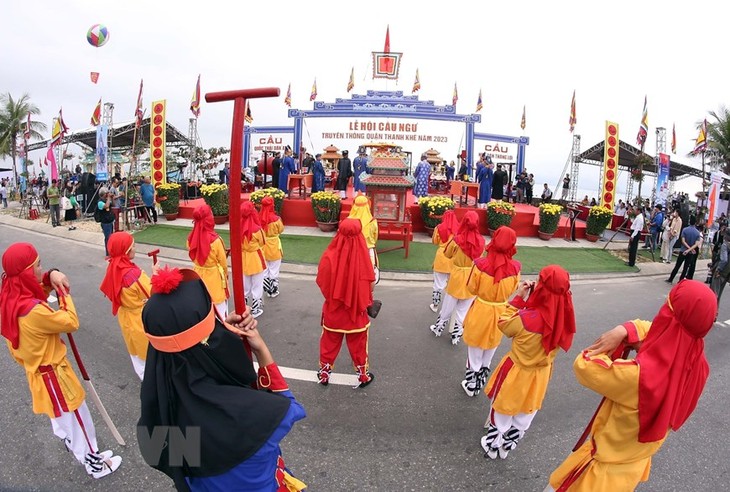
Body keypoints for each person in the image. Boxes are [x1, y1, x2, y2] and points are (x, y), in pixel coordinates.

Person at [137, 267, 306, 492]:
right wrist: (261, 351)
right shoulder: (254, 414)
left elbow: (177, 457)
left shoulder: (159, 417)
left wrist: (214, 340)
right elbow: (290, 407)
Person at [547, 280, 716, 491]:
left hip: (597, 476)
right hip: (631, 469)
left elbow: (584, 366)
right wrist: (625, 330)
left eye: (667, 306)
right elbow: (656, 330)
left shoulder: (638, 377)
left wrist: (617, 336)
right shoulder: (699, 366)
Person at [1, 243, 122, 479]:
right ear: (26, 272)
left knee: (68, 420)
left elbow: (36, 289)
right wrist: (64, 295)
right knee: (79, 420)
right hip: (53, 376)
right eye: (38, 266)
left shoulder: (11, 295)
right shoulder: (33, 311)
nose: (41, 269)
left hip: (39, 372)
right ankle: (94, 462)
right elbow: (70, 321)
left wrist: (49, 275)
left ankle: (78, 445)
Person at [481, 265, 576, 460]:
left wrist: (519, 298)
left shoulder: (526, 318)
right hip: (540, 374)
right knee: (526, 410)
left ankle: (492, 445)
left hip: (516, 369)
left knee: (502, 407)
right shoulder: (565, 320)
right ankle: (508, 445)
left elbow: (504, 324)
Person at [315, 218, 376, 388]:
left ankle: (325, 373)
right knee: (358, 345)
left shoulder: (328, 256)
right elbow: (371, 285)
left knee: (329, 343)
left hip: (334, 310)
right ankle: (363, 375)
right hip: (356, 312)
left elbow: (322, 280)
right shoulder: (365, 258)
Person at [460, 226, 520, 397]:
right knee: (491, 346)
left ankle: (471, 383)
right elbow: (513, 289)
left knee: (475, 348)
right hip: (501, 310)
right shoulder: (516, 268)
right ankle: (480, 382)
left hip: (481, 309)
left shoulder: (480, 264)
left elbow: (471, 287)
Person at [99, 232, 156, 380]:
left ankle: (144, 378)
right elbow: (152, 293)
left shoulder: (112, 269)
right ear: (126, 250)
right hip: (140, 317)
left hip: (125, 315)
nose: (135, 248)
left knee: (135, 351)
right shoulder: (134, 275)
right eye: (133, 246)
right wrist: (155, 275)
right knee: (148, 350)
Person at [429, 211, 485, 345]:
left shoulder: (457, 240)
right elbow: (481, 258)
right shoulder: (481, 241)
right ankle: (456, 335)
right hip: (472, 275)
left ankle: (438, 328)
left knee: (448, 305)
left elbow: (447, 253)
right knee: (464, 309)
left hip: (457, 275)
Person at [187, 204, 229, 317]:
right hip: (214, 276)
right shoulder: (215, 240)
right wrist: (225, 275)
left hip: (198, 274)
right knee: (219, 309)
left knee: (204, 305)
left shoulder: (190, 238)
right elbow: (223, 263)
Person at [240, 201, 267, 318]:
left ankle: (243, 308)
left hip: (243, 258)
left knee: (245, 285)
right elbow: (263, 242)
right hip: (256, 258)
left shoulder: (237, 228)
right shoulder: (257, 229)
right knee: (257, 284)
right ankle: (256, 309)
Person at [430, 210, 459, 312]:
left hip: (441, 258)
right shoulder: (458, 228)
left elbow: (434, 241)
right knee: (451, 285)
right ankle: (449, 307)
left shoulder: (439, 228)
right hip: (453, 258)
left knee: (438, 284)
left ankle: (435, 305)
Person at [348, 194, 379, 281]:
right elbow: (375, 236)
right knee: (370, 275)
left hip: (352, 250)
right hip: (368, 250)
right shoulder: (372, 221)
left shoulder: (348, 221)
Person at [259, 196, 284, 298]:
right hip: (274, 246)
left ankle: (266, 287)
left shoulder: (258, 218)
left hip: (263, 245)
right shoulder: (276, 219)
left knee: (265, 269)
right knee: (274, 268)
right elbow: (281, 230)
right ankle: (273, 289)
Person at [667, 215, 702, 283]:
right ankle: (680, 281)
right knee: (685, 268)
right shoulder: (697, 233)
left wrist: (687, 249)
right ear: (695, 223)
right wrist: (690, 249)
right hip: (690, 253)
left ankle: (671, 279)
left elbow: (683, 241)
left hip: (683, 250)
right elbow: (696, 244)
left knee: (677, 266)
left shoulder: (685, 229)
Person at [97, 187, 116, 256]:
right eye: (107, 193)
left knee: (111, 237)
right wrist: (108, 198)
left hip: (110, 221)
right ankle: (108, 253)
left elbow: (113, 205)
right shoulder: (100, 202)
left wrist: (112, 198)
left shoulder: (107, 200)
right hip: (105, 223)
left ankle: (111, 251)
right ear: (104, 194)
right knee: (108, 238)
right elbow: (106, 206)